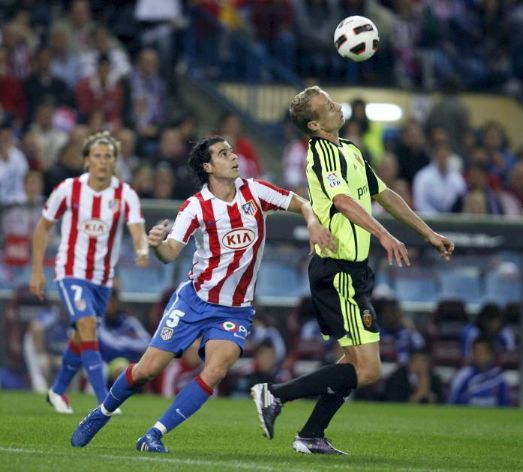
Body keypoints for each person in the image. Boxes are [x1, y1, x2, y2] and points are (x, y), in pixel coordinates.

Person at [70, 135, 336, 453]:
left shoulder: (255, 191)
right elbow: (170, 252)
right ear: (208, 166)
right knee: (147, 370)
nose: (234, 156)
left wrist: (311, 223)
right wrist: (156, 245)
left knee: (217, 369)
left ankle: (153, 435)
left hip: (235, 309)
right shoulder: (196, 207)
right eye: (224, 154)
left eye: (233, 151)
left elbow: (302, 203)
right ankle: (101, 413)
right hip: (194, 301)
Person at [251, 86, 454, 455]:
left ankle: (310, 434)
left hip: (353, 272)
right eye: (328, 106)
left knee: (350, 362)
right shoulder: (323, 153)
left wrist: (429, 233)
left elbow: (385, 194)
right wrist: (385, 234)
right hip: (338, 270)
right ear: (314, 124)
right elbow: (342, 200)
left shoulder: (350, 150)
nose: (337, 106)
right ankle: (274, 394)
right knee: (369, 370)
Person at [29, 131, 148, 414]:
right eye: (97, 156)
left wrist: (142, 249)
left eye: (108, 156)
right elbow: (43, 227)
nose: (103, 161)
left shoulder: (125, 194)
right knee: (87, 326)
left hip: (102, 279)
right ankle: (104, 399)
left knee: (83, 334)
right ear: (87, 161)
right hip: (71, 270)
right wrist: (36, 271)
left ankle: (57, 390)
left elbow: (136, 229)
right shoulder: (68, 189)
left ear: (115, 161)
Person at [447, 337, 512, 407]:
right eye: (476, 352)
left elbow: (505, 405)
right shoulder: (463, 375)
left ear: (489, 354)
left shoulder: (498, 378)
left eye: (481, 352)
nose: (478, 356)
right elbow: (452, 402)